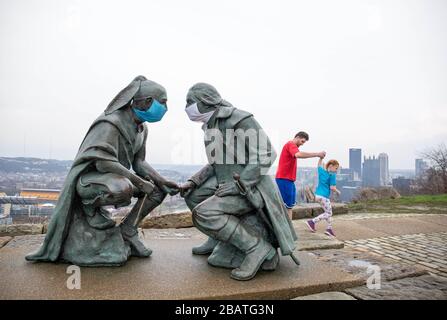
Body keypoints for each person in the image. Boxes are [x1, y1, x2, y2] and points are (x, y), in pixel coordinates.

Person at [26, 75, 179, 266]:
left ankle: (128, 231)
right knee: (122, 187)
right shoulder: (110, 122)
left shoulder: (141, 128)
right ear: (147, 101)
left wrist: (161, 181)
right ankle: (90, 211)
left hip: (117, 176)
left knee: (157, 190)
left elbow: (139, 162)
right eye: (162, 102)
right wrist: (139, 182)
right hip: (90, 181)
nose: (165, 108)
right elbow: (103, 162)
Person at [179, 83, 297, 281]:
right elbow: (215, 163)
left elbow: (266, 153)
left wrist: (240, 184)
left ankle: (256, 248)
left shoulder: (240, 118)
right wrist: (193, 181)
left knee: (204, 213)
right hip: (224, 180)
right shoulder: (211, 124)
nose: (186, 107)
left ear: (205, 101)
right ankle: (217, 238)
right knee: (193, 196)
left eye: (190, 102)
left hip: (250, 185)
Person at [275, 132, 326, 219]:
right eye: (302, 141)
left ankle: (289, 228)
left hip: (288, 179)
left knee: (289, 206)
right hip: (284, 179)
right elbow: (298, 154)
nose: (302, 144)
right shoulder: (291, 144)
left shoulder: (291, 146)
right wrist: (317, 154)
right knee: (285, 206)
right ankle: (285, 229)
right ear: (297, 137)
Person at [306, 158, 340, 237]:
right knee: (329, 213)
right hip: (324, 197)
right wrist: (338, 191)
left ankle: (329, 229)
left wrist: (321, 158)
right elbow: (332, 188)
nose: (336, 170)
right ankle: (312, 222)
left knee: (327, 212)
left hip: (318, 195)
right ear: (331, 166)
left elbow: (319, 165)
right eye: (336, 168)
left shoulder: (322, 172)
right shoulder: (332, 175)